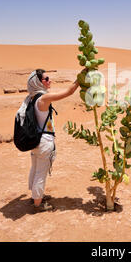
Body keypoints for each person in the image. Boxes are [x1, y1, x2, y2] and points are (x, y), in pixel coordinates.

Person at [24, 68, 80, 212]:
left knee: (35, 169)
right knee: (41, 172)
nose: (50, 81)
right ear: (38, 82)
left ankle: (35, 196)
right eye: (46, 79)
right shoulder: (43, 98)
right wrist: (80, 78)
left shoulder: (32, 97)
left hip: (35, 140)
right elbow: (69, 92)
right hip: (43, 141)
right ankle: (38, 204)